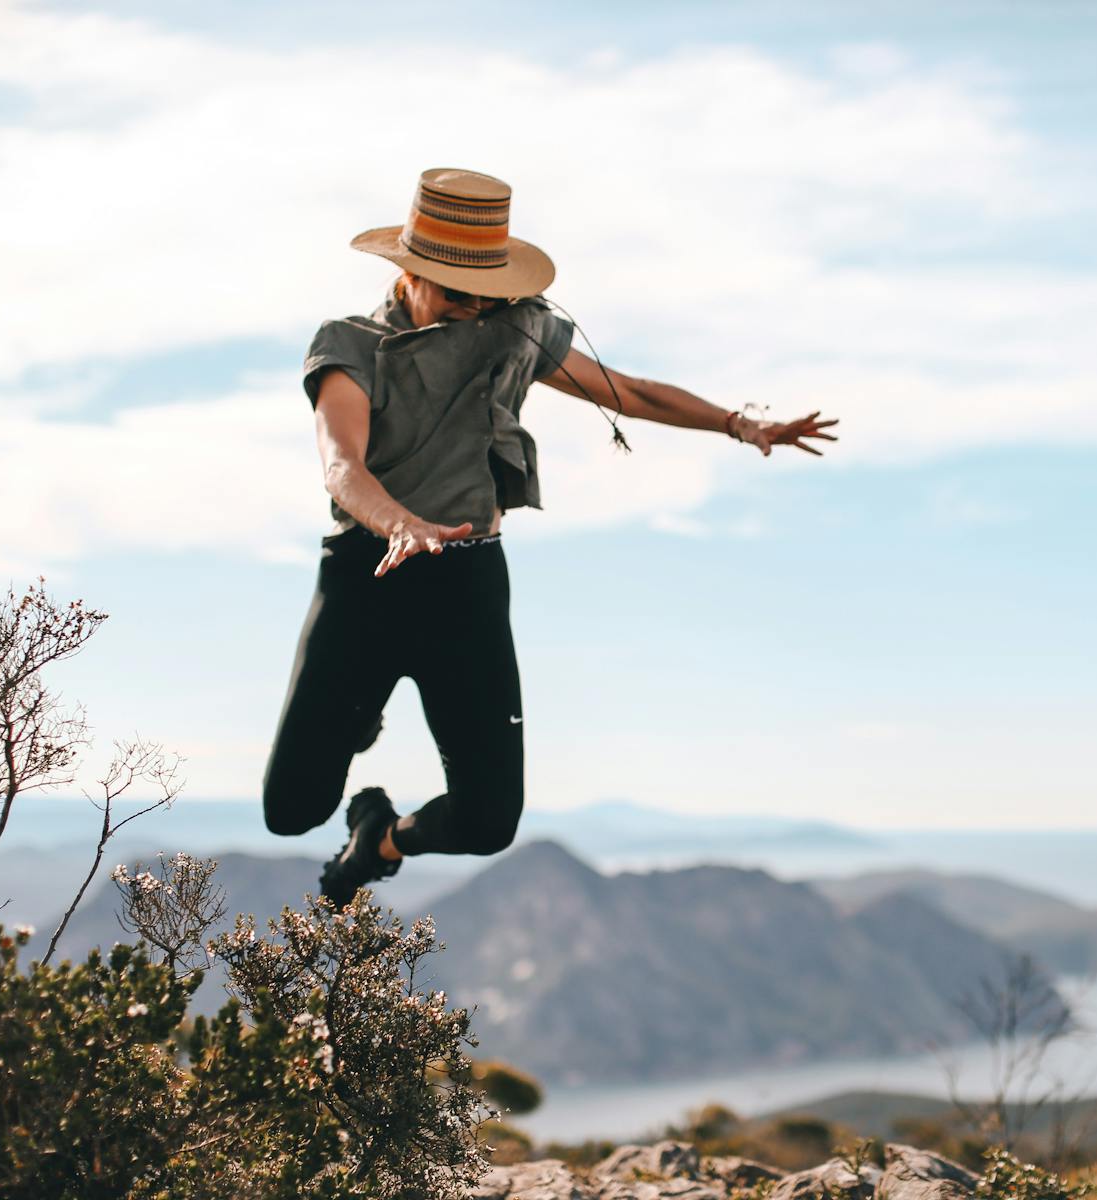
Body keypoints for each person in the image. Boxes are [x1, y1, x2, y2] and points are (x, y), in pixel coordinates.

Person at [261, 167, 839, 909]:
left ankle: (378, 839)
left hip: (465, 581)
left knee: (488, 819)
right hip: (367, 575)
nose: (473, 311)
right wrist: (398, 522)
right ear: (407, 271)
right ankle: (354, 719)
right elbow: (342, 463)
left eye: (485, 295)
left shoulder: (514, 326)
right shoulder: (350, 344)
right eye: (455, 292)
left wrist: (739, 423)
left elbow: (627, 391)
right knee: (294, 811)